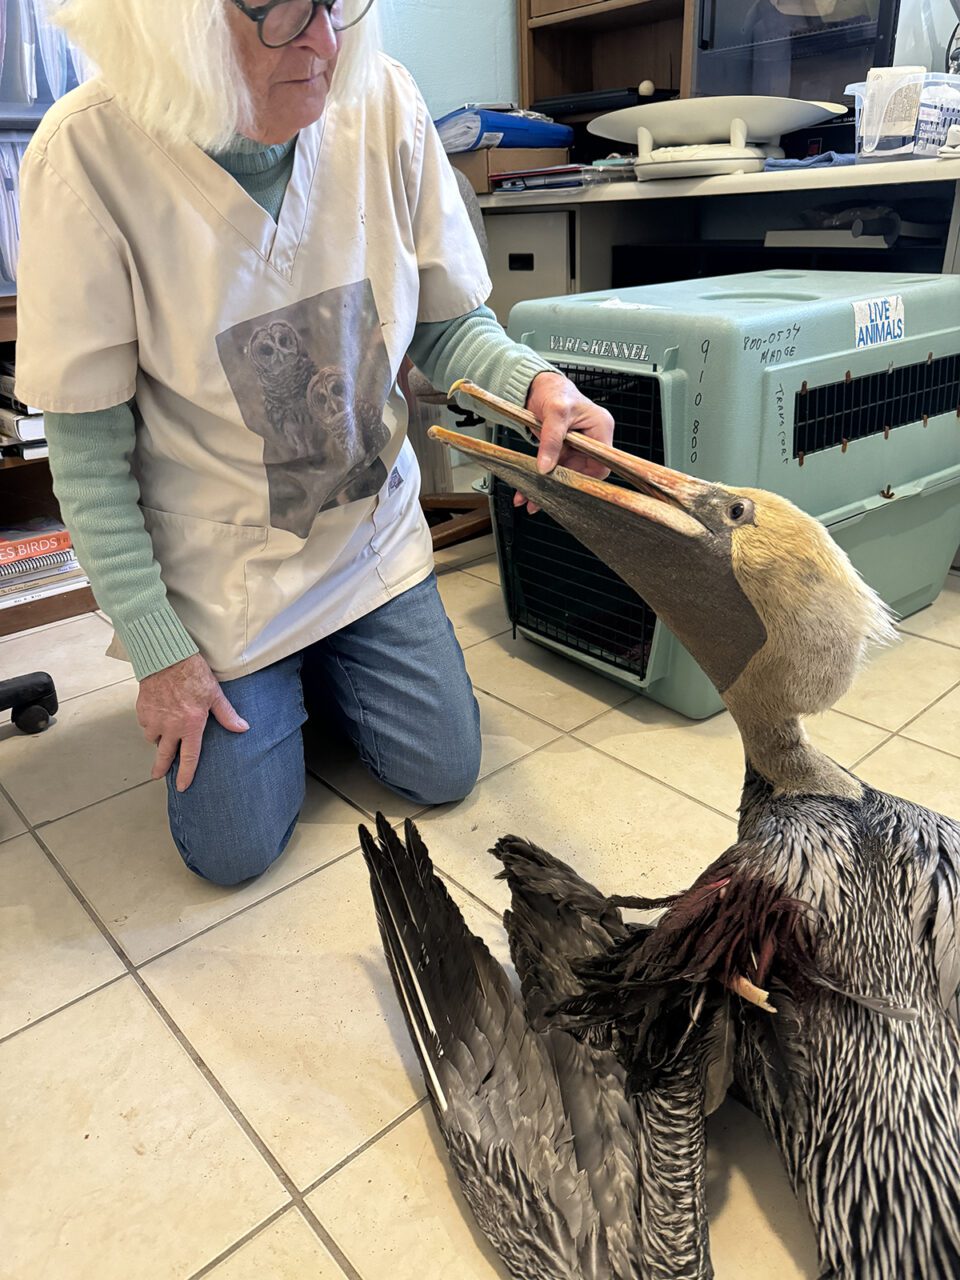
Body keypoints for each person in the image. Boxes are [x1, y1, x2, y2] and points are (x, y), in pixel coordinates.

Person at [14, 0, 614, 886]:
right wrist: (158, 652)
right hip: (224, 578)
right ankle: (282, 674)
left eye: (335, 4)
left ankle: (326, 664)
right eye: (283, 10)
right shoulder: (86, 154)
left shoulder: (384, 103)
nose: (326, 43)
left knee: (443, 772)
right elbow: (89, 453)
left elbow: (450, 328)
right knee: (231, 849)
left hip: (364, 541)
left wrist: (539, 388)